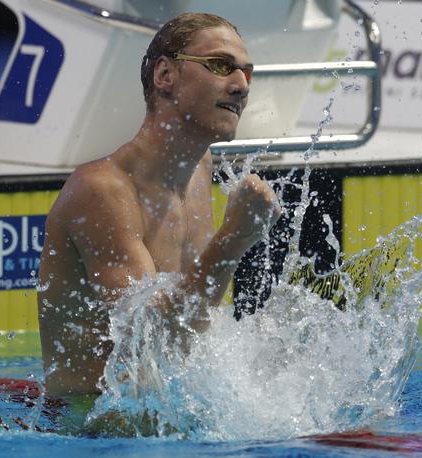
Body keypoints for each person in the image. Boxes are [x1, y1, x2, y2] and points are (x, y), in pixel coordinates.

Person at [38, 13, 281, 397]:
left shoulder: (200, 168)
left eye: (247, 74)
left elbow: (195, 336)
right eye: (221, 66)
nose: (240, 86)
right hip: (90, 432)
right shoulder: (101, 191)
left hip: (161, 419)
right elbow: (151, 346)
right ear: (165, 75)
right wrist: (232, 240)